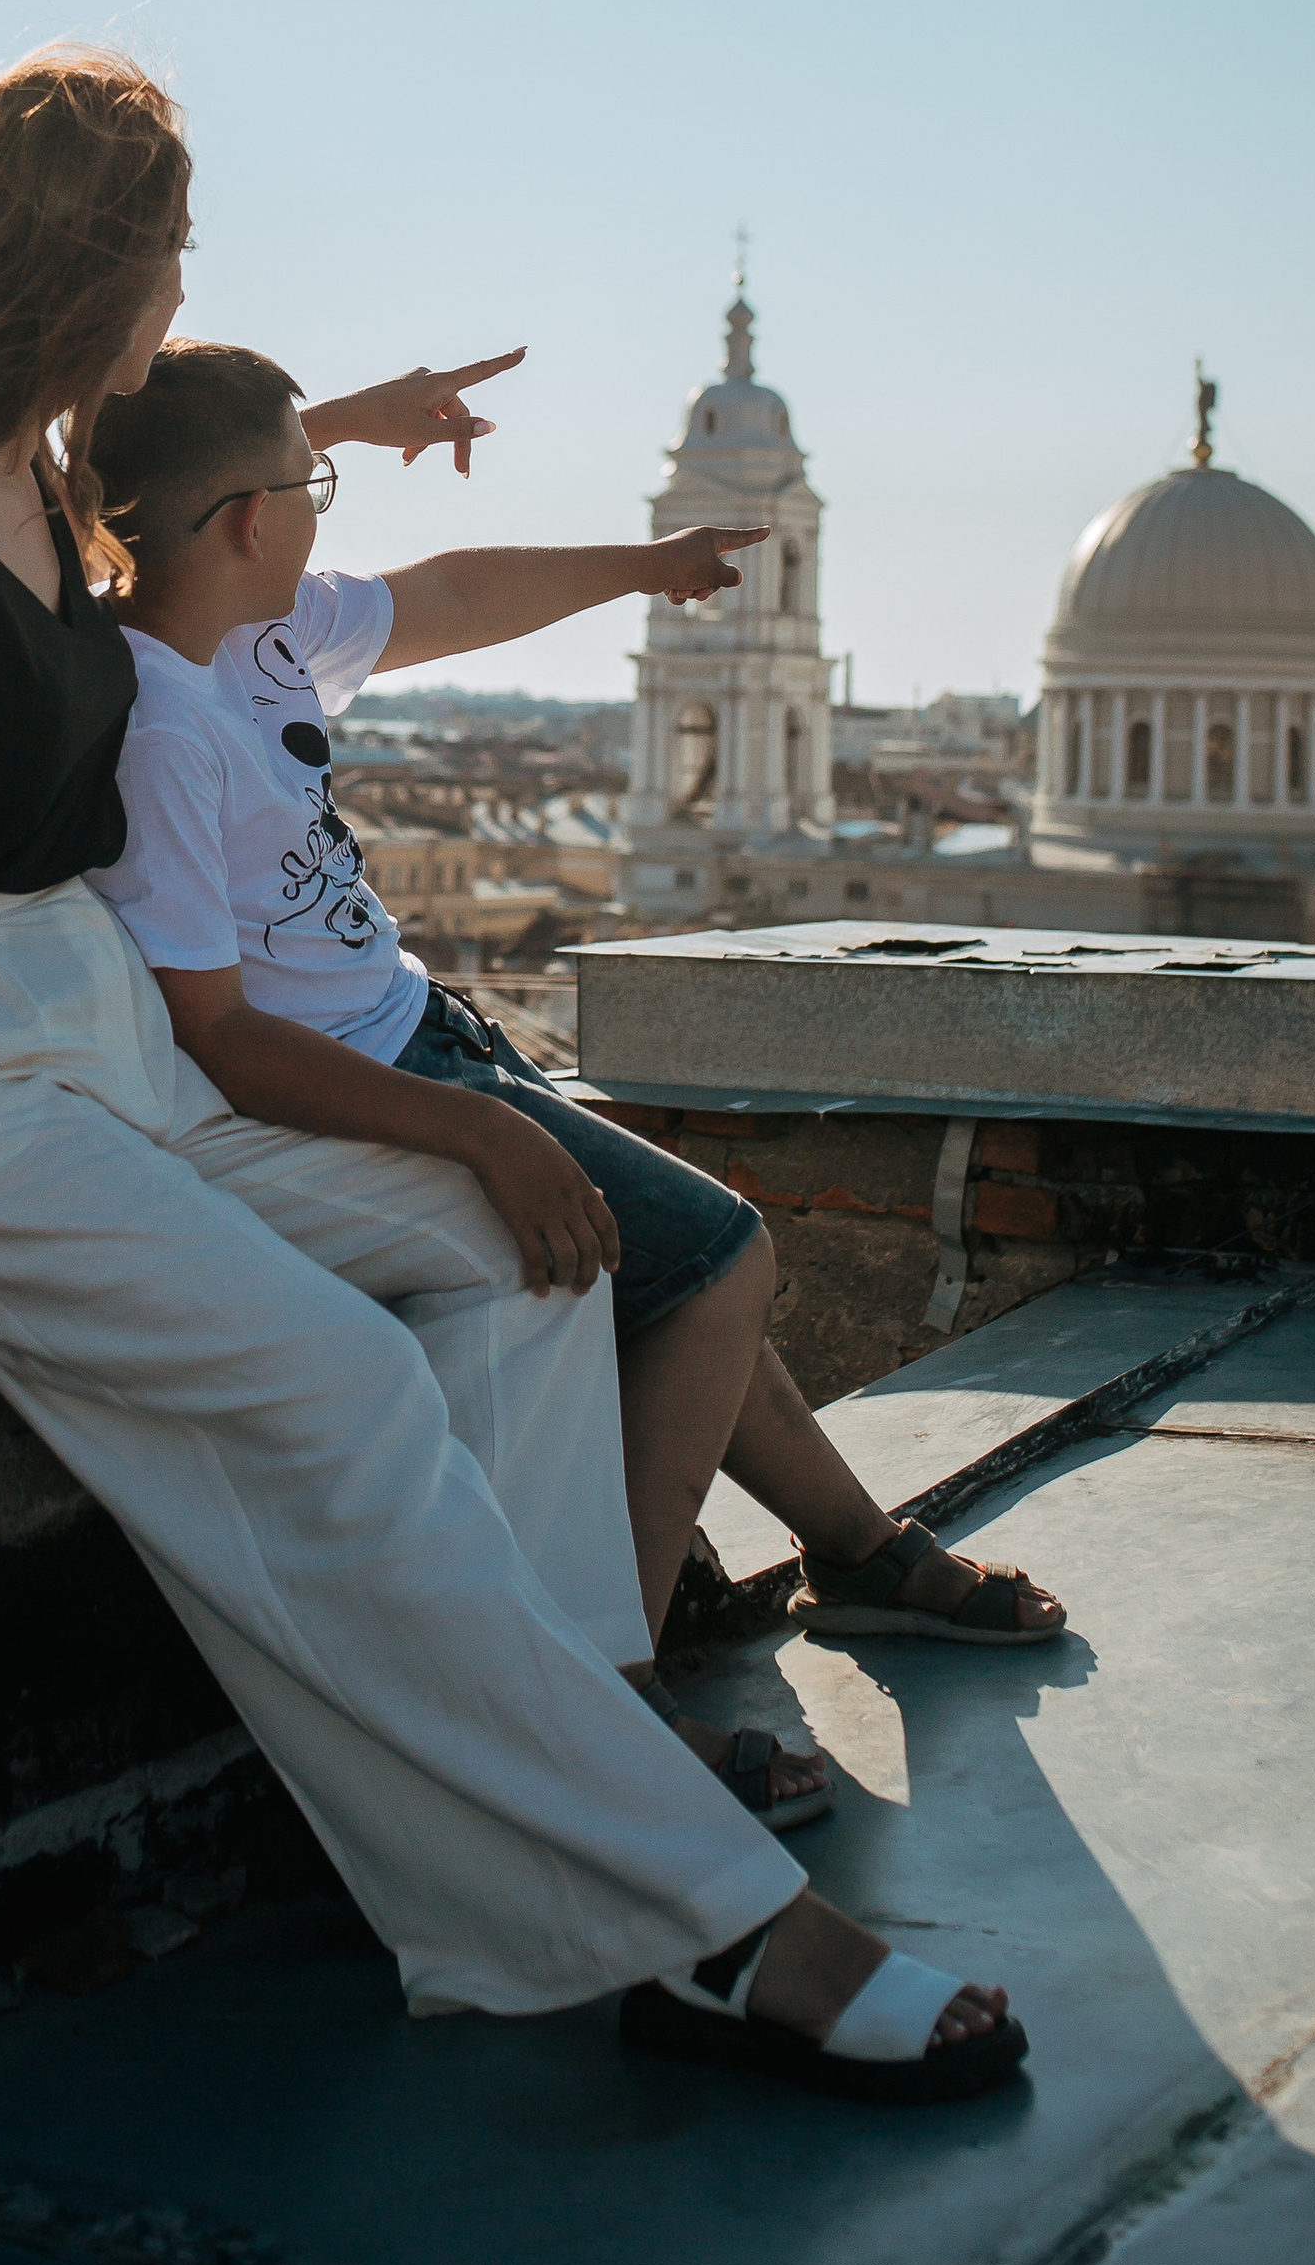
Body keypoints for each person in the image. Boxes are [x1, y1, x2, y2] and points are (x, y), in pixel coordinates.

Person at [0, 47, 1022, 2100]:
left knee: (528, 1237)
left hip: (86, 1038)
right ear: (73, 261)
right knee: (334, 1381)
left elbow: (194, 509)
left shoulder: (38, 487)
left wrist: (352, 427)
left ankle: (562, 1783)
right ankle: (706, 1923)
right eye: (166, 247)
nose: (181, 286)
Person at [84, 334, 1064, 1832]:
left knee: (678, 1261)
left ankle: (858, 1551)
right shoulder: (160, 725)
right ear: (241, 522)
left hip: (423, 1033)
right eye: (316, 482)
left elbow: (461, 592)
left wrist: (644, 564)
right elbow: (217, 1036)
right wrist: (479, 1132)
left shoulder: (260, 638)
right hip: (376, 1081)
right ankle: (611, 1680)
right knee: (721, 1258)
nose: (330, 507)